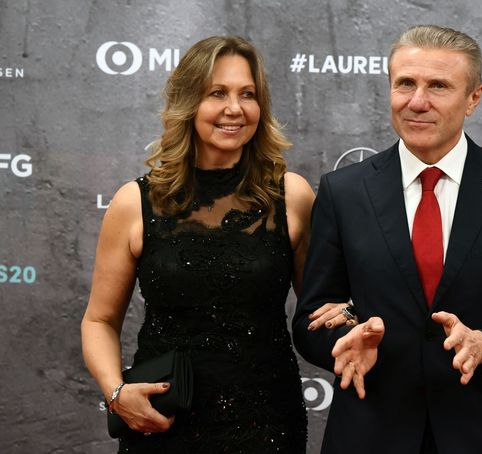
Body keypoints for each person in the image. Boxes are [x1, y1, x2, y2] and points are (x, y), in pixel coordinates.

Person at [293, 25, 482, 453]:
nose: (417, 101)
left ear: (474, 98)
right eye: (405, 83)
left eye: (438, 86)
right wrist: (346, 340)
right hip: (370, 432)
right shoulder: (343, 191)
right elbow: (311, 320)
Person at [81, 35, 347, 453]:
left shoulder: (291, 196)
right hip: (162, 421)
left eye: (248, 94)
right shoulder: (134, 202)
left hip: (267, 421)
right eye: (216, 93)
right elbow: (99, 321)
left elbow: (319, 311)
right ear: (189, 103)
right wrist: (117, 393)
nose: (234, 109)